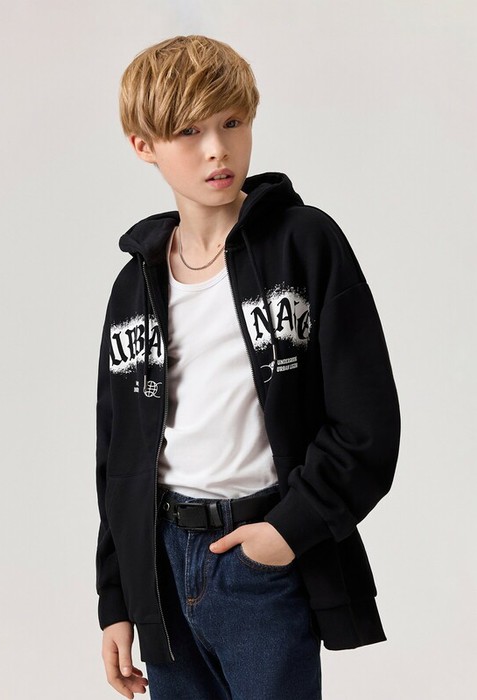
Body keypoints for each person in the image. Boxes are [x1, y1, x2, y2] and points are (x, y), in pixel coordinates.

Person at [95, 35, 401, 700]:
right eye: (188, 132)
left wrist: (287, 532)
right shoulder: (135, 285)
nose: (217, 149)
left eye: (232, 122)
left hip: (260, 557)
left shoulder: (304, 243)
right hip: (161, 566)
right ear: (143, 145)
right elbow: (118, 455)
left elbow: (367, 423)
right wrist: (116, 597)